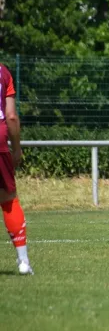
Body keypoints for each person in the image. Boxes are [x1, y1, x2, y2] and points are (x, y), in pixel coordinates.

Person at [0, 63, 33, 275]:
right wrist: (17, 149)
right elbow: (11, 116)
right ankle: (23, 262)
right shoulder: (3, 72)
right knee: (9, 199)